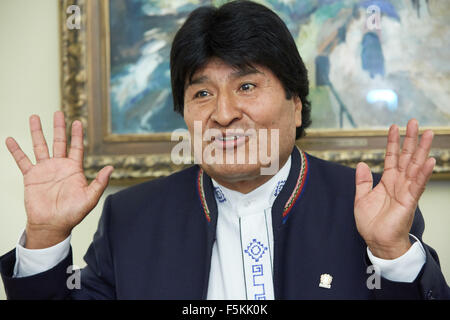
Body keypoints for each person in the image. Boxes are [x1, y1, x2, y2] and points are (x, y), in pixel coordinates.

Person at [0, 0, 449, 300]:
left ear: (296, 105)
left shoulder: (365, 202)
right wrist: (45, 237)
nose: (224, 113)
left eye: (247, 85)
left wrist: (391, 252)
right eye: (202, 94)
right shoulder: (131, 218)